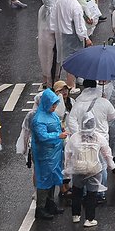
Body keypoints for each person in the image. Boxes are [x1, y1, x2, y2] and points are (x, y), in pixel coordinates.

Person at [30, 88, 67, 221]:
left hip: (55, 153)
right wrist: (58, 135)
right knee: (44, 180)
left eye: (55, 104)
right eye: (53, 104)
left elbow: (55, 127)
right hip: (44, 155)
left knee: (52, 178)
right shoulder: (38, 119)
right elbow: (42, 136)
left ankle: (50, 204)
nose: (54, 107)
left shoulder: (52, 115)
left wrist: (60, 129)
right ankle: (40, 208)